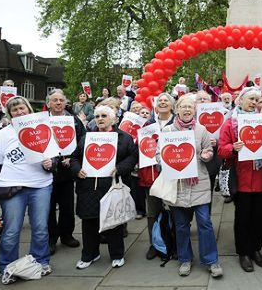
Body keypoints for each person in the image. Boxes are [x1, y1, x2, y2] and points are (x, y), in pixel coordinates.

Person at [0, 96, 54, 282]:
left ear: (29, 109)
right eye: (15, 110)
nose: (19, 112)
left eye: (22, 108)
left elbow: (55, 156)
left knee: (40, 228)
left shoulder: (43, 129)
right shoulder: (2, 134)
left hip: (40, 185)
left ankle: (40, 261)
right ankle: (7, 267)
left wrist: (51, 162)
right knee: (11, 230)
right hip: (11, 186)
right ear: (9, 114)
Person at [70, 105, 137, 269]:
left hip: (111, 185)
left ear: (113, 119)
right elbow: (75, 157)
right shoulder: (87, 138)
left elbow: (133, 156)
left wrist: (120, 169)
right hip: (88, 187)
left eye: (104, 116)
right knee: (89, 222)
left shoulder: (124, 138)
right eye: (97, 116)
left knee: (113, 222)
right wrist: (77, 170)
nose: (100, 119)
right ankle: (89, 254)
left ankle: (117, 254)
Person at [163, 96, 223, 278]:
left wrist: (206, 155)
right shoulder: (167, 130)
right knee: (181, 226)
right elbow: (159, 155)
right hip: (178, 185)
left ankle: (211, 260)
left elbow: (209, 152)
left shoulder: (202, 130)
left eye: (190, 107)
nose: (187, 109)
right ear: (177, 109)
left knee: (205, 223)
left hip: (200, 184)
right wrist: (167, 161)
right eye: (183, 106)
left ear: (195, 110)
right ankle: (185, 259)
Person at [218, 87, 262, 272]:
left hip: (261, 177)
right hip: (241, 179)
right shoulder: (230, 123)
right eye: (250, 98)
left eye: (257, 99)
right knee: (242, 218)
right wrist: (233, 148)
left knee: (260, 217)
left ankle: (255, 249)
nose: (253, 102)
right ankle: (243, 253)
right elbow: (221, 149)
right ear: (240, 100)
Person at [46, 90, 85, 255]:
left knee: (67, 205)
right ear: (48, 103)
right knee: (48, 207)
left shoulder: (73, 120)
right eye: (54, 100)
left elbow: (83, 141)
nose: (58, 103)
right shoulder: (42, 120)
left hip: (67, 170)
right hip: (47, 171)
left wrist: (73, 158)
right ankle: (50, 239)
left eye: (61, 100)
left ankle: (67, 235)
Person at [140, 92, 176, 260]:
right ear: (155, 106)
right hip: (152, 172)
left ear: (172, 105)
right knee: (152, 211)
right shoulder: (148, 125)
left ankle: (174, 244)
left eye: (165, 100)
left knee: (176, 210)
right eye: (159, 100)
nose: (162, 103)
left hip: (174, 173)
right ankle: (154, 244)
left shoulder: (178, 123)